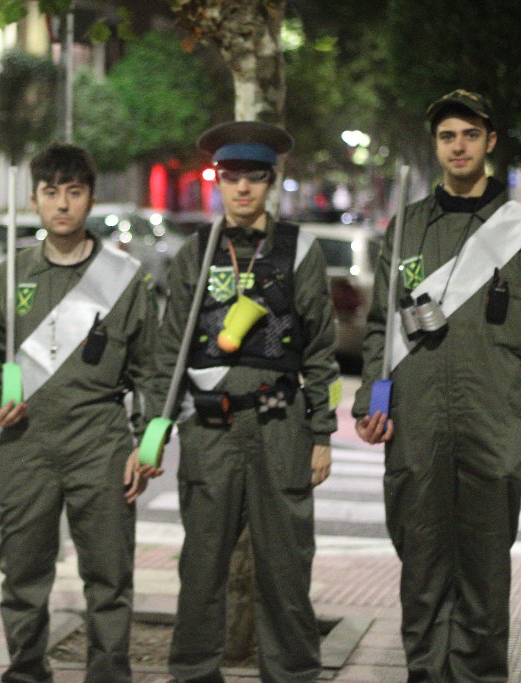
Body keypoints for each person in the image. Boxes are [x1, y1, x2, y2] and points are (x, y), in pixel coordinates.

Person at [353, 89, 521, 682]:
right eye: (448, 136)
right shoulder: (406, 228)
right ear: (435, 145)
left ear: (490, 142)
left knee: (484, 579)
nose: (459, 146)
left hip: (495, 427)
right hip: (416, 428)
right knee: (421, 572)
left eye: (470, 135)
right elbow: (380, 326)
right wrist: (371, 399)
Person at [149, 121, 340, 683]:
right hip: (209, 433)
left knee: (286, 568)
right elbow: (169, 351)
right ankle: (193, 672)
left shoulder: (299, 251)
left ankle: (294, 674)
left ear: (270, 183)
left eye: (254, 178)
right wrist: (153, 433)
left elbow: (322, 350)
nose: (242, 189)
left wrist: (323, 433)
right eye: (231, 177)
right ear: (218, 181)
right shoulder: (196, 253)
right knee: (201, 566)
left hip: (281, 428)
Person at [0, 143, 159, 683]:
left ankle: (108, 674)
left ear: (90, 200)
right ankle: (26, 671)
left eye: (74, 192)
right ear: (34, 200)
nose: (62, 204)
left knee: (109, 575)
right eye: (51, 192)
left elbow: (151, 372)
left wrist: (147, 446)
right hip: (24, 442)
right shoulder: (9, 275)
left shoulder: (124, 279)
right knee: (22, 573)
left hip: (100, 441)